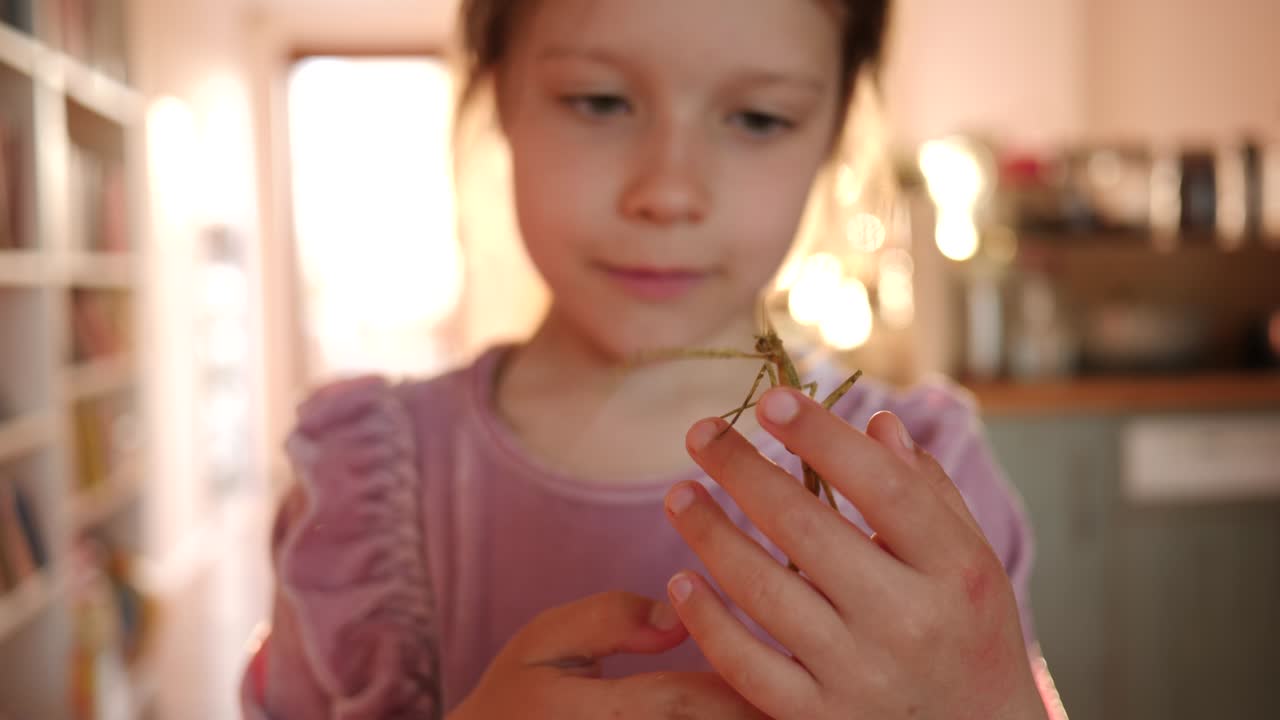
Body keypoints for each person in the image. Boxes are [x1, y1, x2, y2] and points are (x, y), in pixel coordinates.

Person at [242, 0, 1065, 717]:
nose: (669, 192)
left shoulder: (920, 482)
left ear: (832, 133)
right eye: (599, 101)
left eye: (758, 118)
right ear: (496, 91)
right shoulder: (363, 496)